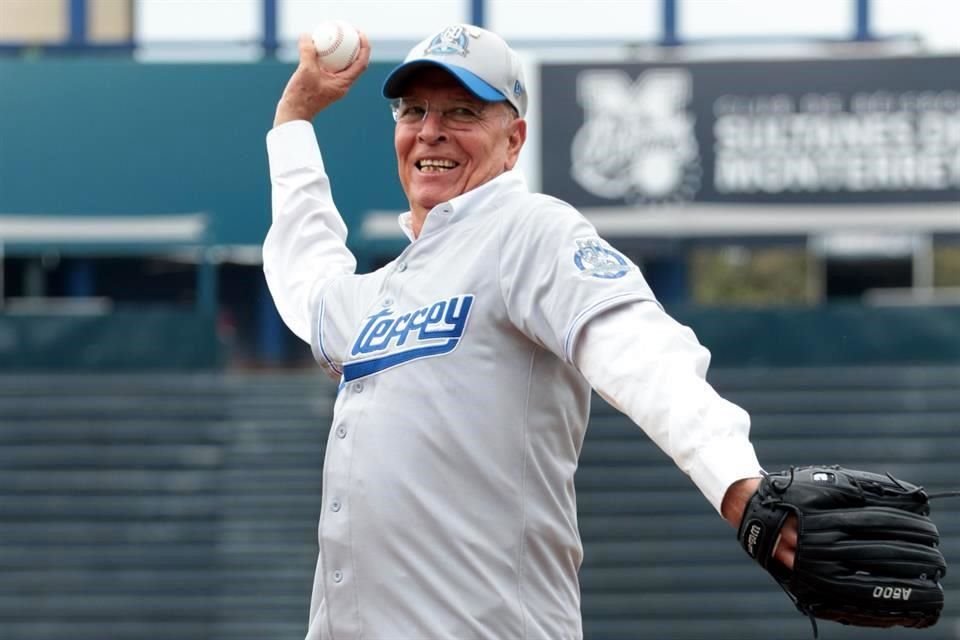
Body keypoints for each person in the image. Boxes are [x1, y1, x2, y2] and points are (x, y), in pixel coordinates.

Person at [264, 23, 797, 640]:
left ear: (513, 140)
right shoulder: (381, 294)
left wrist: (735, 480)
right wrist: (294, 120)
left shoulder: (527, 231)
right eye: (414, 110)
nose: (431, 129)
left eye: (462, 110)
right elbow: (306, 274)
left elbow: (637, 343)